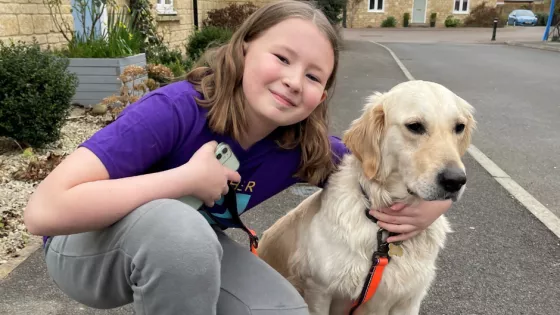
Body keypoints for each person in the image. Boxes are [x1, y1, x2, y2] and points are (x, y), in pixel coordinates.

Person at [23, 1, 452, 314]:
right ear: (243, 49)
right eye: (281, 58)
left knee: (281, 310)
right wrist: (184, 180)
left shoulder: (302, 145)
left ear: (321, 94)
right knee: (180, 229)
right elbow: (43, 212)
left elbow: (375, 165)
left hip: (190, 252)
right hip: (82, 249)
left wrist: (435, 203)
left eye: (313, 75)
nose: (292, 80)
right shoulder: (175, 110)